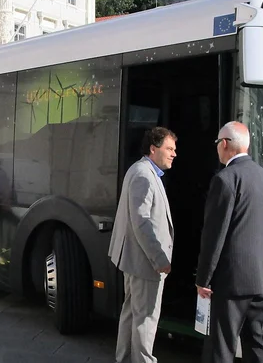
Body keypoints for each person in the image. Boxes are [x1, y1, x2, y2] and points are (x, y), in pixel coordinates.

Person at [195, 121, 263, 363]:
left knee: (221, 346)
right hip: (258, 277)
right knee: (257, 344)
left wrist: (203, 279)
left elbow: (214, 235)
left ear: (225, 144)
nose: (217, 148)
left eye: (218, 143)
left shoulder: (225, 179)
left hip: (231, 281)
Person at [108, 127, 177, 363]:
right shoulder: (144, 175)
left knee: (131, 313)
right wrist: (159, 259)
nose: (173, 154)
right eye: (169, 148)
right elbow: (142, 223)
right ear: (153, 148)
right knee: (145, 319)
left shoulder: (142, 171)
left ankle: (124, 358)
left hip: (135, 260)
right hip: (145, 263)